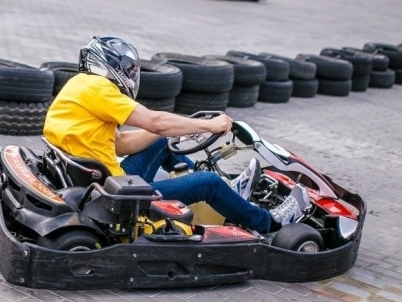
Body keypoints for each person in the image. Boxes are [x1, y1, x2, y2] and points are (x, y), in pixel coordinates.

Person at [42, 36, 310, 234]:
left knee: (161, 142)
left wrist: (172, 133)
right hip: (117, 196)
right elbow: (155, 121)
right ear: (110, 65)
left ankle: (229, 193)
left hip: (95, 181)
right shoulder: (100, 89)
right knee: (207, 183)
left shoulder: (78, 84)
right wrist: (207, 125)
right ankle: (269, 222)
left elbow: (121, 143)